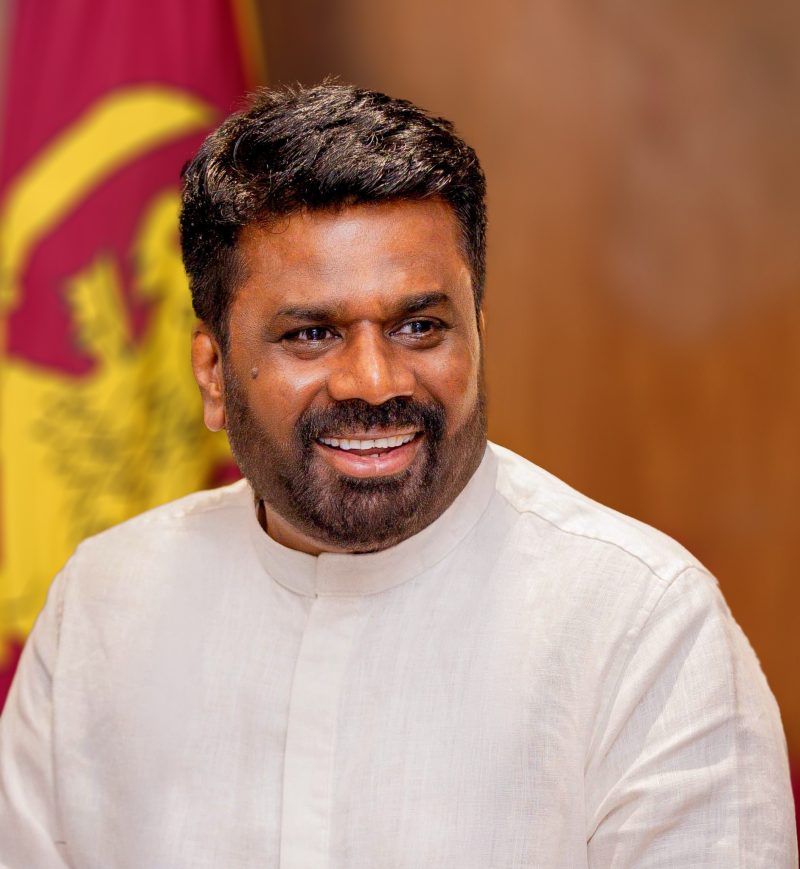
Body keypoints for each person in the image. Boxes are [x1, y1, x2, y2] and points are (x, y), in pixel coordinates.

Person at [0, 83, 796, 869]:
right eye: (311, 334)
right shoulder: (103, 607)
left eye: (420, 326)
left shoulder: (643, 627)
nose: (375, 381)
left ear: (478, 334)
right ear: (213, 373)